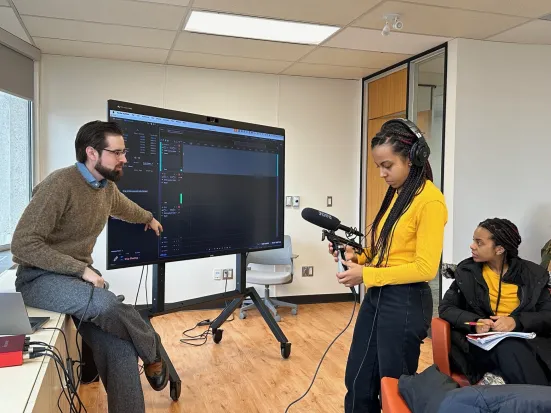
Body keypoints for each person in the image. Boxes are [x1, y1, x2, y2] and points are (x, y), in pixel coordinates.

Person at [11, 121, 169, 413]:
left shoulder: (105, 188)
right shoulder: (59, 184)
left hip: (74, 281)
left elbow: (124, 207)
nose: (125, 158)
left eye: (125, 152)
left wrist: (148, 217)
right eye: (118, 152)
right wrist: (81, 270)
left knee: (120, 348)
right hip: (39, 278)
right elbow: (23, 244)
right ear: (92, 153)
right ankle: (152, 349)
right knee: (107, 304)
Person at [329, 119, 447, 412]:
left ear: (412, 158)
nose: (382, 173)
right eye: (378, 166)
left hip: (406, 300)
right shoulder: (399, 195)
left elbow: (425, 268)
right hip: (379, 295)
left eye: (387, 165)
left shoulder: (430, 201)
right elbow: (391, 251)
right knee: (358, 379)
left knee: (394, 388)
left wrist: (366, 273)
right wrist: (360, 256)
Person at [439, 218, 551, 386]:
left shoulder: (533, 275)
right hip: (480, 345)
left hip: (527, 343)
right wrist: (475, 323)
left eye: (479, 243)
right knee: (511, 349)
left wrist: (516, 322)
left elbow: (547, 315)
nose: (472, 246)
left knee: (517, 350)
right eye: (473, 241)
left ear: (499, 249)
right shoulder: (467, 272)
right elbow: (446, 308)